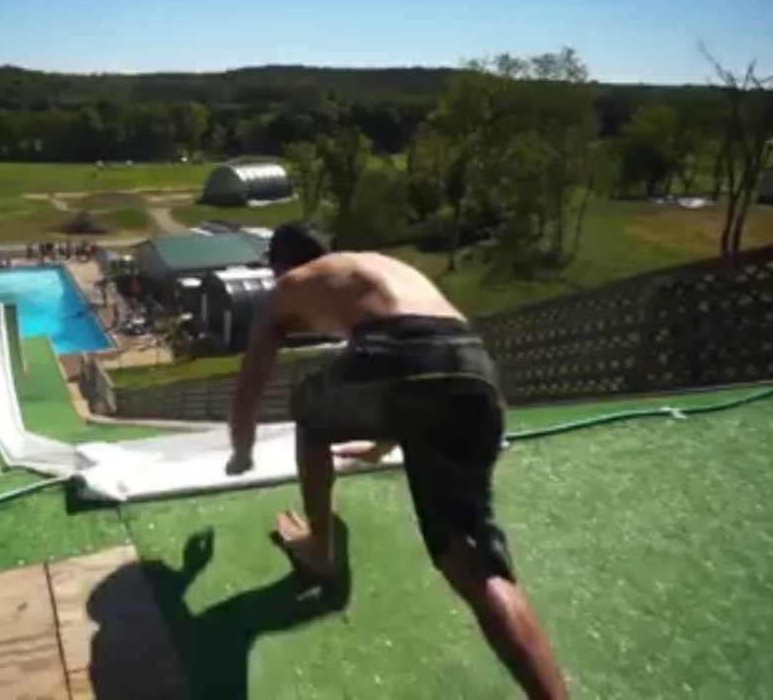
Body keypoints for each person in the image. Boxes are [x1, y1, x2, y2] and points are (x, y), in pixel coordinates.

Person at [227, 223, 569, 700]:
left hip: (404, 352)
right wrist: (381, 443)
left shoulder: (290, 284)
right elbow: (428, 371)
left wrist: (241, 450)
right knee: (470, 559)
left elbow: (251, 382)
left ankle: (320, 548)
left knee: (307, 408)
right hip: (477, 370)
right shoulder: (374, 273)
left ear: (280, 265)